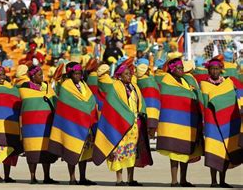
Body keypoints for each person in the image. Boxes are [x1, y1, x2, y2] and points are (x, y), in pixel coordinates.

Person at [93, 58, 151, 186]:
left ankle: (130, 179)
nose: (129, 75)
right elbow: (113, 107)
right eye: (126, 74)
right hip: (121, 124)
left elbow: (140, 102)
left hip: (134, 125)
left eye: (130, 73)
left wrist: (141, 113)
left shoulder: (134, 87)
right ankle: (119, 179)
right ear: (119, 76)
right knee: (118, 151)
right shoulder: (115, 88)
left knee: (132, 152)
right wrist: (125, 116)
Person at [157, 56, 204, 187]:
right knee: (174, 151)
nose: (181, 70)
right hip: (172, 122)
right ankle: (174, 180)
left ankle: (183, 179)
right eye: (179, 68)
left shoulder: (186, 81)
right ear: (172, 69)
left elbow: (194, 95)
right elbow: (168, 98)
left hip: (187, 122)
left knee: (185, 151)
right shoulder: (167, 81)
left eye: (182, 68)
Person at [48, 62, 98, 185]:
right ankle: (72, 178)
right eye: (75, 73)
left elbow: (90, 101)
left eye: (79, 73)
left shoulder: (84, 85)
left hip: (86, 125)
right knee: (72, 150)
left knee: (84, 153)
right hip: (72, 125)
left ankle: (82, 177)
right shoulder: (66, 86)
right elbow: (67, 106)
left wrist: (90, 115)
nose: (78, 76)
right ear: (70, 74)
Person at [199, 58, 242, 188]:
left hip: (227, 122)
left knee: (225, 152)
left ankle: (222, 181)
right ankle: (213, 181)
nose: (215, 71)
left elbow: (237, 97)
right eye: (212, 69)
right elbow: (204, 105)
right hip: (212, 123)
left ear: (221, 70)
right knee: (213, 150)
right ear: (208, 70)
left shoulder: (229, 83)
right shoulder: (204, 85)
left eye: (217, 69)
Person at [19, 65, 58, 184]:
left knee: (46, 151)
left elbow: (53, 99)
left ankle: (47, 176)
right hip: (32, 125)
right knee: (32, 150)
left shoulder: (47, 87)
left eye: (42, 74)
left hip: (46, 123)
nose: (42, 76)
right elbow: (26, 100)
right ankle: (32, 177)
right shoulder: (25, 87)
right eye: (40, 74)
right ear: (32, 76)